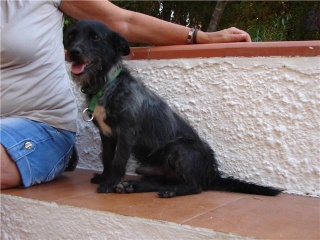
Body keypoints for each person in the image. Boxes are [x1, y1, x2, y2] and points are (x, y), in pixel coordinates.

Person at [0, 0, 251, 190]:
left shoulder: (122, 91)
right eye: (72, 39)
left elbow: (125, 20)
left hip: (38, 124)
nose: (75, 47)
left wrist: (199, 36)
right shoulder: (98, 92)